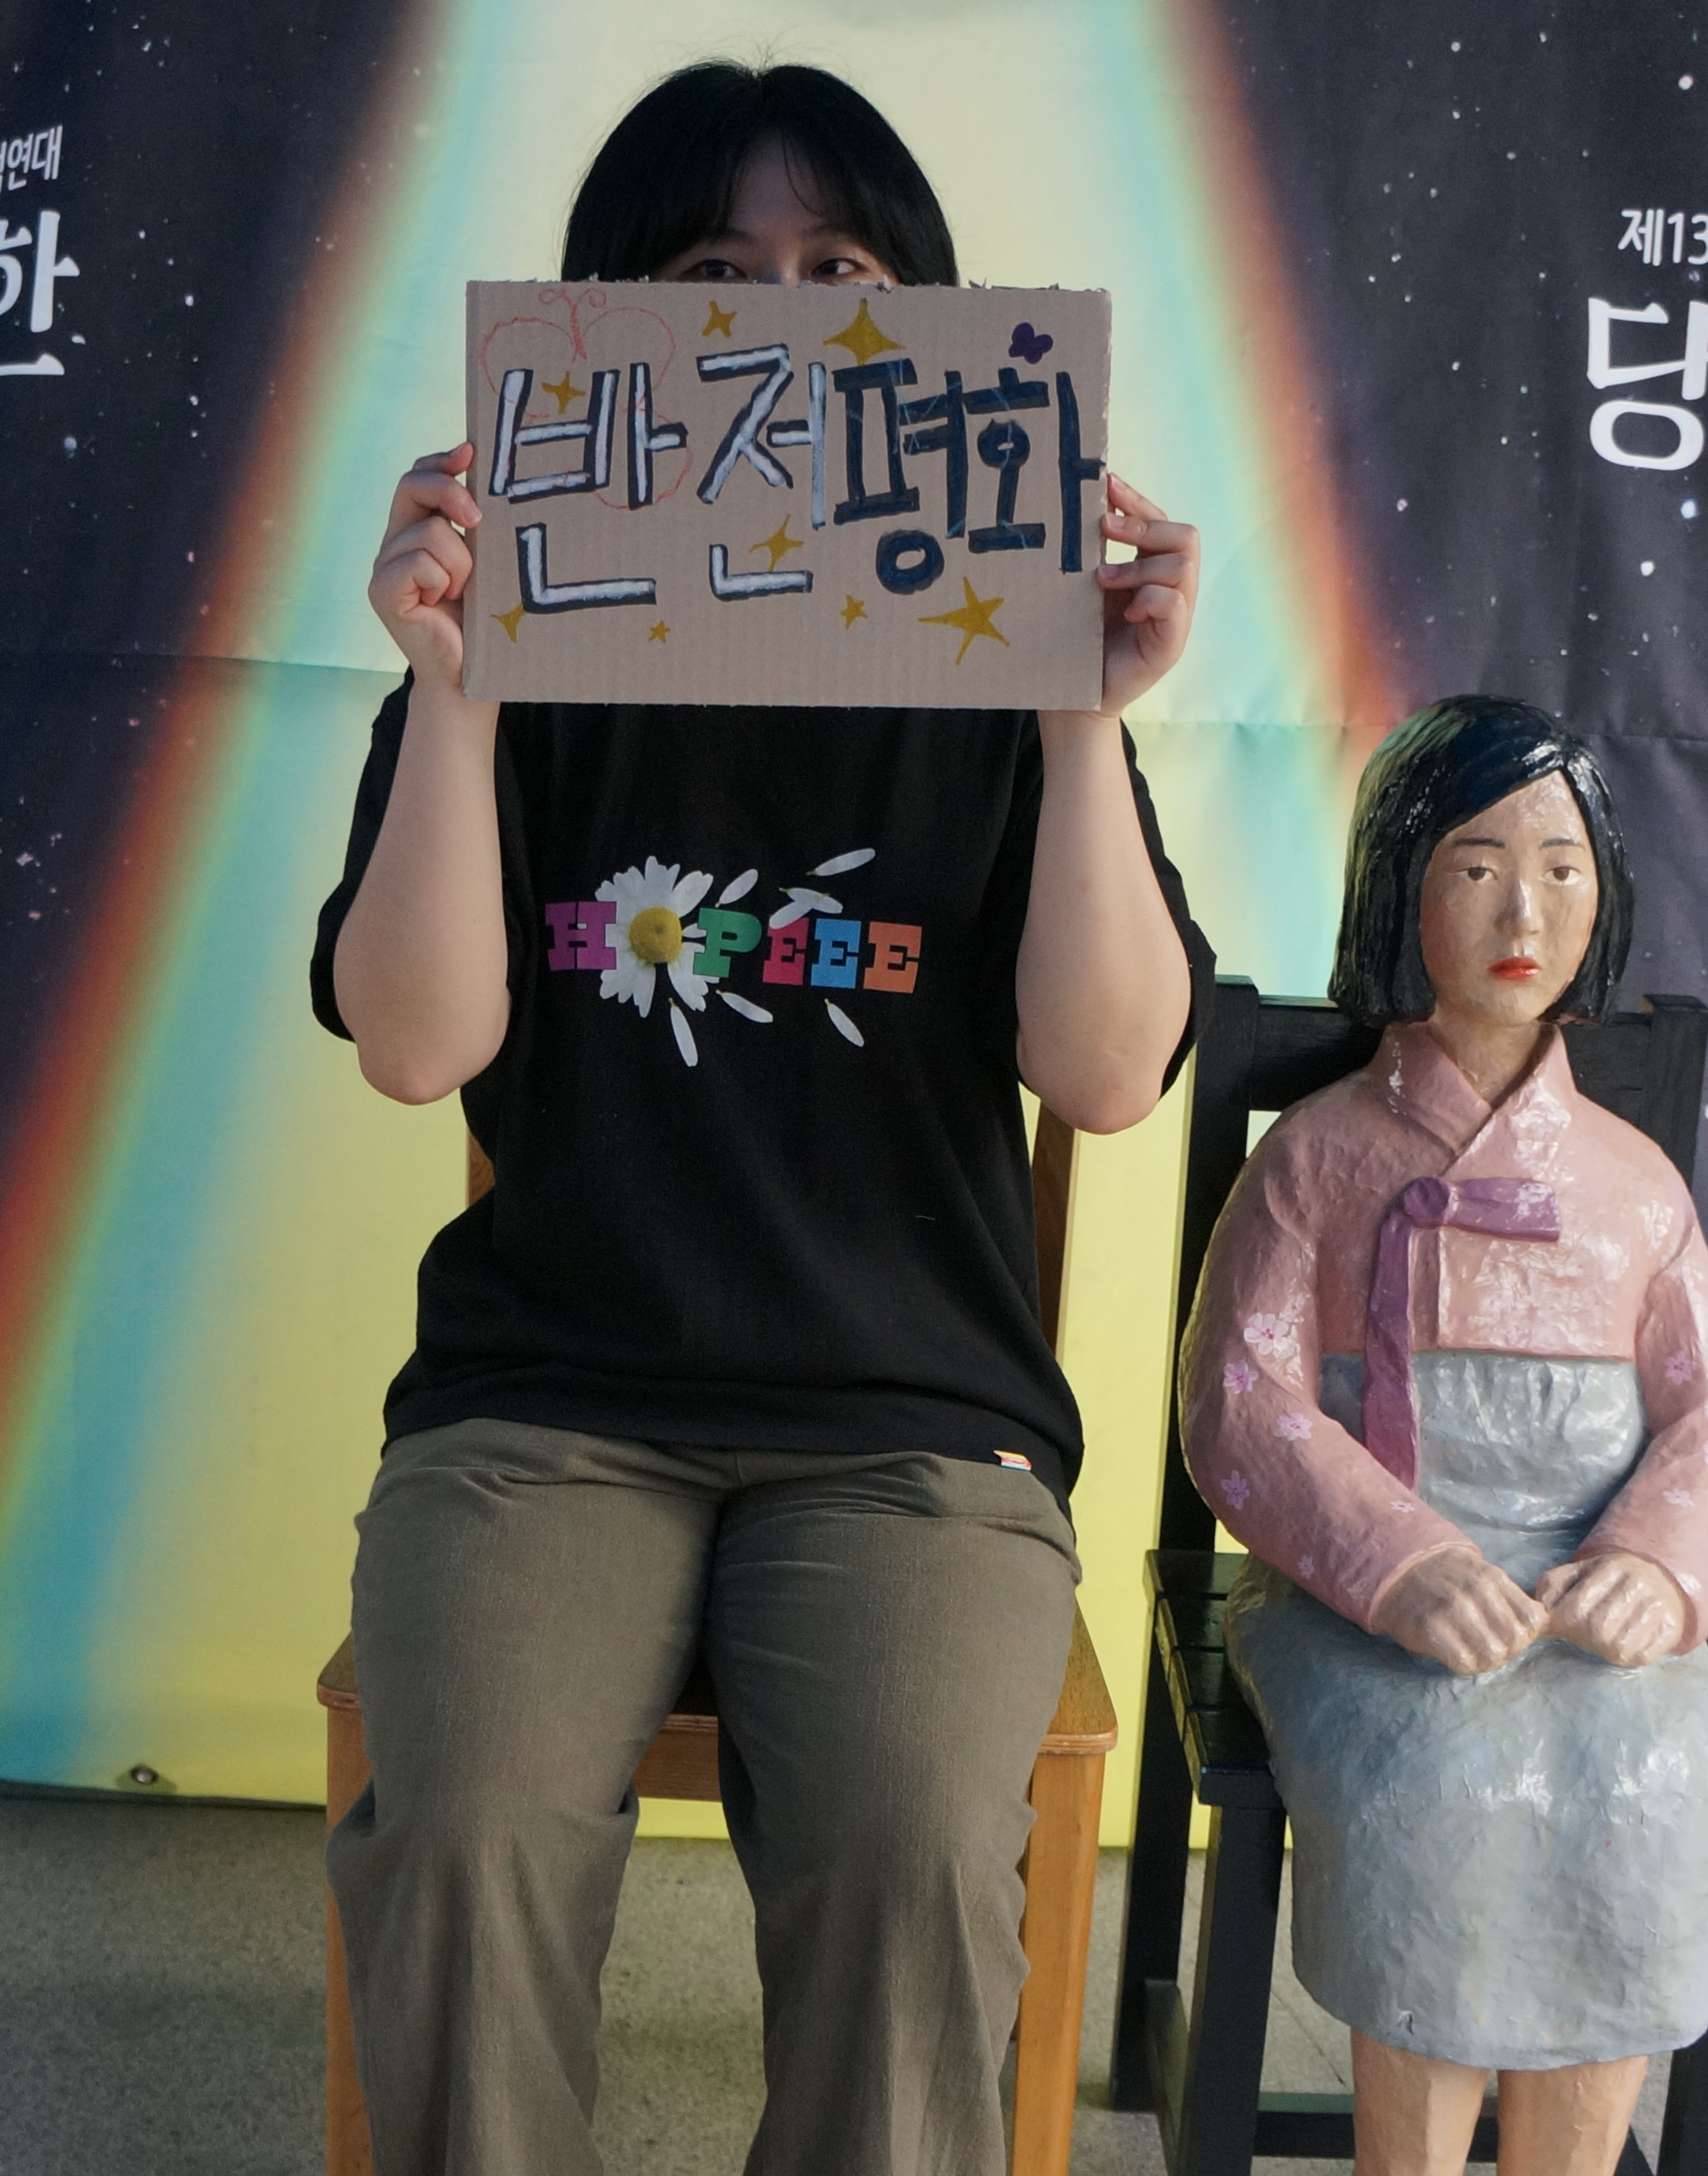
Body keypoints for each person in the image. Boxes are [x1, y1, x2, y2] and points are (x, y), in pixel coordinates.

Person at [307, 60, 1214, 2176]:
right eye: (715, 270)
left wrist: (1079, 722)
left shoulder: (995, 678)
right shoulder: (516, 661)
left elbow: (1105, 1073)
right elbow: (416, 1048)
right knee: (461, 1835)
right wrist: (454, 698)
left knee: (910, 1851)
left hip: (911, 1426)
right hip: (547, 1398)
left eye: (842, 274)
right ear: (610, 321)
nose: (784, 323)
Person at [1178, 699, 1708, 2176]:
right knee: (1439, 1789)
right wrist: (1396, 1561)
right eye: (1479, 867)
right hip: (1358, 1593)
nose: (1526, 914)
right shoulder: (1315, 1158)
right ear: (1399, 887)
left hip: (1581, 1585)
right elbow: (1241, 1404)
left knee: (1648, 1783)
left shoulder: (1635, 1184)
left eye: (1564, 871)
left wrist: (1655, 1566)